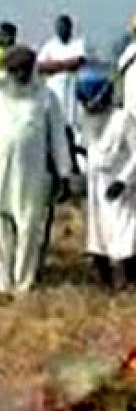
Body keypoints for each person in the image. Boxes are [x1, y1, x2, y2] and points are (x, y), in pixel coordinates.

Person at [0, 42, 73, 294]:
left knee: (29, 231)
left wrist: (64, 175)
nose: (20, 74)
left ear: (32, 69)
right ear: (7, 70)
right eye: (14, 69)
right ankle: (5, 284)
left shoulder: (45, 97)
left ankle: (23, 285)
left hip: (31, 179)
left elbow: (57, 138)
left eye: (24, 69)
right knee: (0, 233)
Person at [77, 70, 136, 288]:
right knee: (98, 232)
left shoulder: (123, 119)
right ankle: (104, 279)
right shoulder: (86, 119)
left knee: (124, 230)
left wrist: (123, 180)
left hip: (120, 185)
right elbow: (84, 148)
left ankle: (125, 277)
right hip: (95, 184)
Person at [38, 15, 88, 143]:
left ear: (70, 28)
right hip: (55, 91)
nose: (61, 29)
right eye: (59, 27)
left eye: (64, 27)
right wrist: (65, 65)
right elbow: (40, 67)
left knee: (74, 125)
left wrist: (54, 65)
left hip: (72, 92)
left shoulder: (77, 43)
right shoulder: (49, 46)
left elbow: (78, 61)